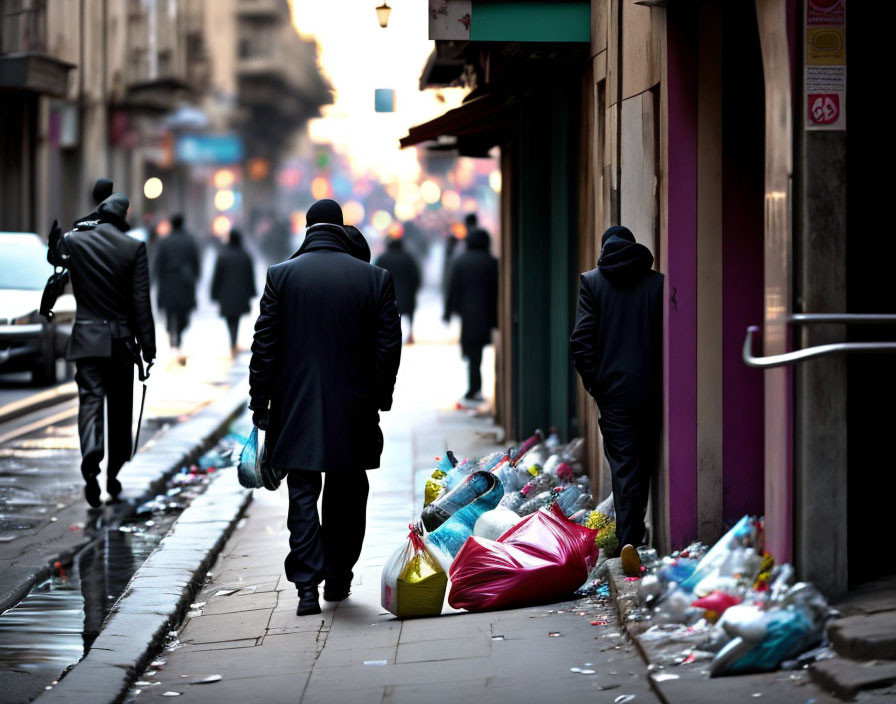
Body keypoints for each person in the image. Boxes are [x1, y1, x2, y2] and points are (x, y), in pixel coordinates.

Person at [248, 199, 402, 617]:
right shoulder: (375, 277)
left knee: (302, 494)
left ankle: (305, 589)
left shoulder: (281, 276)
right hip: (353, 408)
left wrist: (259, 401)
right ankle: (338, 577)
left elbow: (265, 346)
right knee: (348, 493)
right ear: (341, 227)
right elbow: (388, 348)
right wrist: (379, 398)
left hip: (295, 406)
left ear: (308, 227)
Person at [47, 192, 155, 508]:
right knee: (120, 408)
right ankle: (114, 473)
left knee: (90, 400)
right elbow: (140, 303)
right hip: (121, 342)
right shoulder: (133, 247)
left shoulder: (75, 241)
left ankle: (92, 457)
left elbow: (55, 258)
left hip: (86, 339)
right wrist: (148, 347)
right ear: (123, 215)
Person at [569, 225, 663, 575]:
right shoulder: (657, 283)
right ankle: (633, 537)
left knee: (624, 468)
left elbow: (581, 341)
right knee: (644, 463)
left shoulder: (592, 282)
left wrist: (597, 385)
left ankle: (630, 540)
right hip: (652, 390)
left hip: (614, 394)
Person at [443, 227, 498, 404]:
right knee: (478, 352)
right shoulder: (492, 262)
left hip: (467, 312)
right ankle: (475, 387)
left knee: (472, 351)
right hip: (487, 312)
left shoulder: (461, 262)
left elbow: (453, 289)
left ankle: (474, 387)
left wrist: (448, 312)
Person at [152, 213, 199, 361]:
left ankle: (172, 336)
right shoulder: (189, 241)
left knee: (169, 311)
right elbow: (196, 262)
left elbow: (158, 263)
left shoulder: (164, 242)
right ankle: (177, 337)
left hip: (168, 283)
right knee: (182, 313)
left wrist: (153, 279)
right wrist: (195, 277)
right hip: (185, 284)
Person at [211, 228, 256, 357]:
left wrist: (214, 293)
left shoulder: (223, 256)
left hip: (226, 294)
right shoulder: (245, 256)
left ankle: (232, 341)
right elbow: (250, 276)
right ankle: (233, 341)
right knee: (236, 318)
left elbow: (217, 276)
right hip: (241, 293)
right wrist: (251, 291)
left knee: (229, 318)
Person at [374, 230, 421, 344]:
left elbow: (375, 276)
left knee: (386, 317)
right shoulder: (408, 258)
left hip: (388, 294)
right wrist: (414, 289)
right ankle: (410, 334)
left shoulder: (382, 258)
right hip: (407, 294)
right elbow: (416, 276)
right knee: (409, 315)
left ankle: (387, 336)